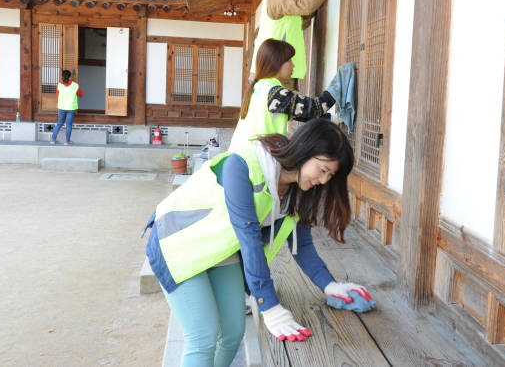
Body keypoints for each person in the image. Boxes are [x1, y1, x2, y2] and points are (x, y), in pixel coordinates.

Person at [143, 119, 375, 366]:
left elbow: (302, 247)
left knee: (232, 334)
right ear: (305, 151)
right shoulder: (243, 165)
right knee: (203, 338)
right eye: (323, 169)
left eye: (330, 175)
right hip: (179, 243)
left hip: (220, 250)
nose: (325, 180)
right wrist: (269, 306)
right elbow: (249, 238)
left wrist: (329, 286)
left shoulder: (299, 191)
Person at [250, 0, 345, 89]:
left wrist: (318, 2)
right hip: (274, 72)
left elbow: (303, 16)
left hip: (279, 70)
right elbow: (305, 6)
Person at [229, 38, 337, 151]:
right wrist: (338, 84)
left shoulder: (259, 87)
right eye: (289, 60)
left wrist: (334, 119)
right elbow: (316, 107)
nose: (293, 65)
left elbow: (305, 114)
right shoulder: (276, 93)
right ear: (277, 62)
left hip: (240, 157)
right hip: (252, 161)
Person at [50, 69, 82, 145]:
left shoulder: (59, 85)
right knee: (69, 125)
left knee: (59, 123)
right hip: (71, 108)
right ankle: (67, 141)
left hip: (61, 107)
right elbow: (81, 94)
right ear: (70, 76)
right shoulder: (75, 85)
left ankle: (53, 140)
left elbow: (57, 96)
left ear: (62, 76)